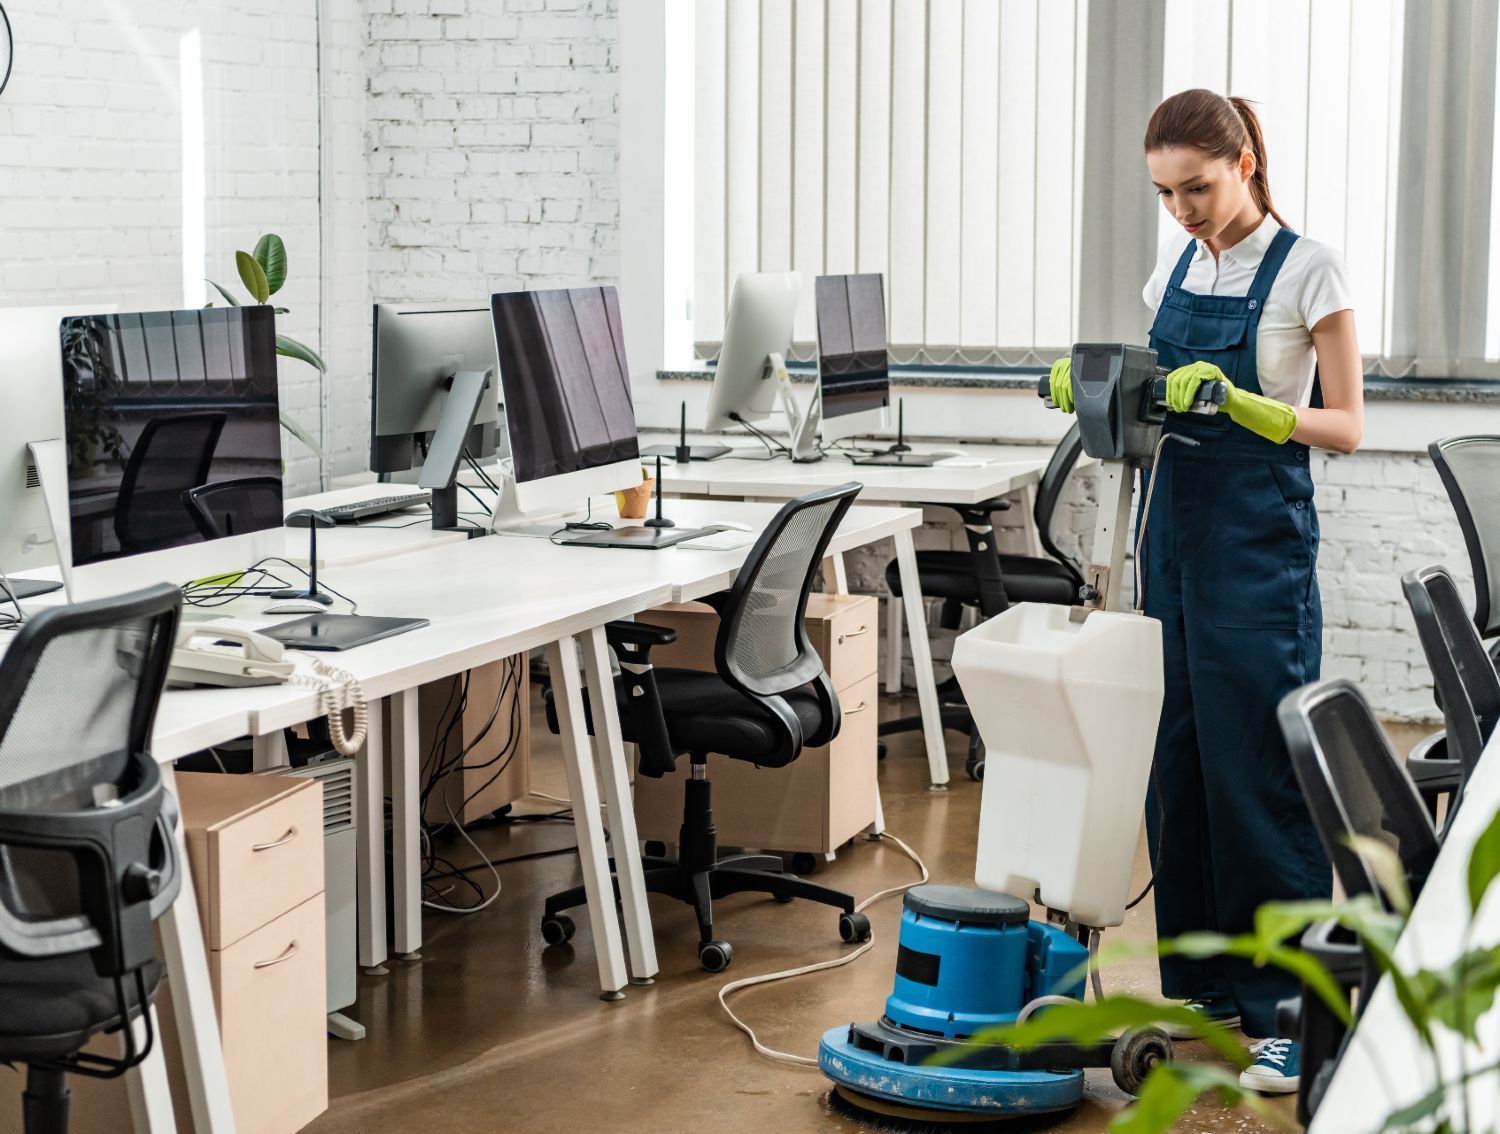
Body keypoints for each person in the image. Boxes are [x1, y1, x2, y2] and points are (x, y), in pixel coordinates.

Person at [1049, 89, 1363, 1095]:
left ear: (1245, 165)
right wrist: (1094, 382)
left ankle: (1289, 1014)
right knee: (1175, 761)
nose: (1181, 210)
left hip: (1257, 548)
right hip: (1171, 538)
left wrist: (1258, 409)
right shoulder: (1177, 265)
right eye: (1164, 193)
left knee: (1256, 772)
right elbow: (1151, 389)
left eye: (1197, 187)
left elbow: (1349, 424)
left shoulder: (1311, 268)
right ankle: (1200, 983)